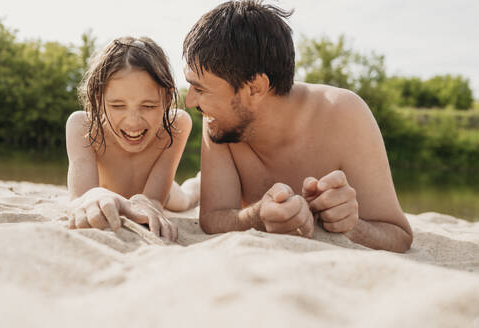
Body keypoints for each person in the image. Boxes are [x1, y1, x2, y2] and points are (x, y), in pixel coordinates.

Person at [183, 1, 413, 252]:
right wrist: (259, 216)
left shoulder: (345, 114)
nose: (189, 101)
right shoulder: (219, 121)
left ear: (254, 88)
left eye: (200, 89)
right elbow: (212, 218)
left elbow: (399, 236)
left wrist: (351, 225)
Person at [66, 36, 200, 241]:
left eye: (148, 106)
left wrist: (148, 203)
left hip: (164, 191)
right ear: (98, 98)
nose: (133, 122)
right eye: (118, 106)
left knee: (186, 199)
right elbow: (79, 198)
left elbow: (154, 200)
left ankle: (199, 181)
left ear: (166, 98)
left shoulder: (176, 125)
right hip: (108, 193)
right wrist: (93, 196)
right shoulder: (82, 127)